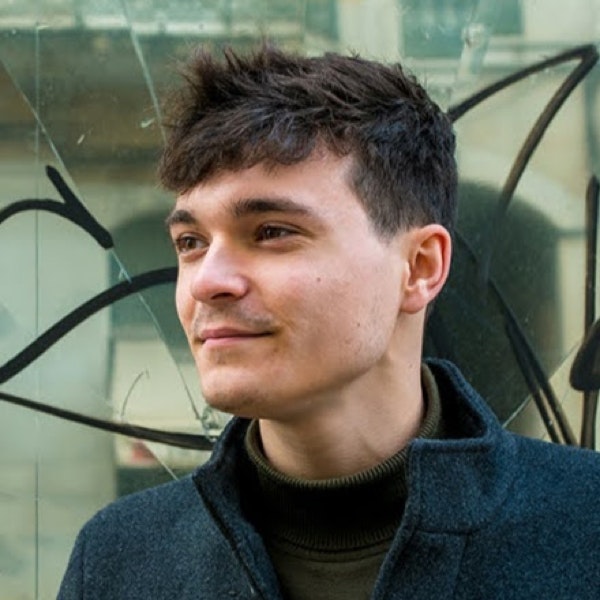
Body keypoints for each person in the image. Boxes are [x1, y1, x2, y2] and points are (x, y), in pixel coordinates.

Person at [58, 44, 600, 599]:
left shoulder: (586, 529)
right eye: (191, 242)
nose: (206, 281)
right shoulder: (117, 561)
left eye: (272, 232)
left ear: (419, 267)